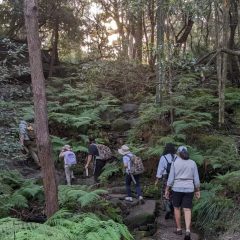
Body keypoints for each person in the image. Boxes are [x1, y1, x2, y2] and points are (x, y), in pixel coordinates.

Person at [165, 146, 200, 240]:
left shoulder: (174, 163)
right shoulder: (192, 163)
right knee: (187, 209)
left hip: (177, 188)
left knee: (177, 208)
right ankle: (188, 231)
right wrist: (197, 190)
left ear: (178, 153)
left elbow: (171, 178)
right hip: (189, 188)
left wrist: (167, 189)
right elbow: (196, 179)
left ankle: (179, 229)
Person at [155, 143, 176, 219]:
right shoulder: (177, 157)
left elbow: (160, 170)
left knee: (165, 193)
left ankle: (167, 208)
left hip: (166, 178)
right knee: (174, 194)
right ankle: (173, 211)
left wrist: (157, 180)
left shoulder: (163, 158)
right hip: (176, 179)